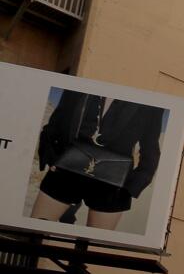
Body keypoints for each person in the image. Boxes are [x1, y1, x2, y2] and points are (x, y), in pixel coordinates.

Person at [31, 90, 167, 233]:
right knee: (32, 234)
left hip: (114, 184)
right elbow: (54, 124)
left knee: (93, 248)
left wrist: (131, 186)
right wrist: (51, 157)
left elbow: (151, 148)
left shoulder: (150, 102)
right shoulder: (80, 87)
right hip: (66, 169)